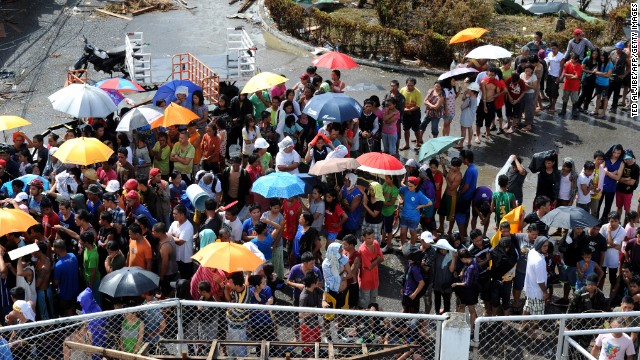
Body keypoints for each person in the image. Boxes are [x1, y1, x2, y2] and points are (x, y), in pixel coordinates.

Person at [399, 176, 432, 250]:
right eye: (408, 185)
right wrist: (402, 199)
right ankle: (403, 246)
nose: (409, 188)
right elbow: (399, 191)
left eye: (411, 186)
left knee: (412, 233)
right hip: (404, 215)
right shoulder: (406, 189)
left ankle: (411, 248)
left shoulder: (419, 194)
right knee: (402, 233)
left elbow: (430, 203)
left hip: (414, 218)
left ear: (416, 186)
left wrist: (421, 206)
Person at [224, 271, 251, 357]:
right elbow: (230, 300)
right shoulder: (236, 290)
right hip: (232, 325)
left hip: (239, 326)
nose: (229, 283)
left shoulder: (244, 297)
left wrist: (229, 310)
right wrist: (225, 288)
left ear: (237, 285)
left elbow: (237, 314)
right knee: (232, 347)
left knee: (239, 349)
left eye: (230, 282)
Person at [452, 248, 479, 332]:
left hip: (469, 291)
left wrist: (456, 284)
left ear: (463, 258)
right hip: (473, 289)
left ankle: (468, 329)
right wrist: (463, 271)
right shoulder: (473, 260)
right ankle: (470, 328)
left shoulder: (471, 268)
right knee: (466, 307)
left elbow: (467, 283)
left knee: (470, 309)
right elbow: (465, 266)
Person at [52, 239, 79, 317]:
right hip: (75, 289)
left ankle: (72, 326)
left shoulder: (58, 265)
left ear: (56, 249)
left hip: (65, 293)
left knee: (68, 311)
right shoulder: (73, 256)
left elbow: (56, 282)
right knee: (73, 307)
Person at [358, 229, 384, 308]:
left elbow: (382, 258)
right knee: (364, 302)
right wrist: (377, 259)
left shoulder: (376, 243)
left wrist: (375, 261)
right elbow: (369, 267)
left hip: (375, 278)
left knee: (373, 300)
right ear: (364, 238)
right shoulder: (362, 250)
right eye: (369, 238)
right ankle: (363, 318)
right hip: (365, 279)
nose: (372, 240)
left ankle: (371, 317)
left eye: (373, 237)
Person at [437, 156, 462, 236]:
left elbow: (451, 188)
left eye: (454, 166)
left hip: (452, 197)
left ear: (458, 167)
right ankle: (441, 227)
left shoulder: (459, 176)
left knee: (451, 216)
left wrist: (446, 178)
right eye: (452, 165)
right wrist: (443, 166)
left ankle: (449, 231)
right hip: (445, 194)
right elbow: (445, 174)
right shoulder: (451, 170)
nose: (452, 167)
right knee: (441, 212)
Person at [169, 204, 195, 279]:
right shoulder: (174, 223)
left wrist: (173, 237)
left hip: (186, 257)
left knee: (186, 278)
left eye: (176, 214)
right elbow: (168, 235)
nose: (173, 215)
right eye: (173, 213)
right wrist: (175, 237)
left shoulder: (188, 226)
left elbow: (180, 242)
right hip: (177, 256)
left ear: (182, 214)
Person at [399, 78, 422, 151]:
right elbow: (399, 101)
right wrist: (403, 109)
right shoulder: (402, 90)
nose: (410, 87)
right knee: (406, 129)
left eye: (412, 85)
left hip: (415, 113)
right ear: (406, 84)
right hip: (405, 113)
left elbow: (418, 105)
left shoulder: (417, 92)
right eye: (408, 85)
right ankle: (407, 144)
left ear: (414, 85)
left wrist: (409, 110)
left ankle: (418, 143)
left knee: (416, 129)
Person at [615, 149, 639, 219]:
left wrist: (620, 179)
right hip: (619, 189)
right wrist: (625, 179)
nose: (628, 160)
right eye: (626, 158)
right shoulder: (622, 164)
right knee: (618, 207)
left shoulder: (636, 167)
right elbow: (617, 177)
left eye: (629, 158)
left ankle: (626, 224)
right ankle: (617, 222)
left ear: (632, 157)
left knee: (627, 209)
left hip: (628, 192)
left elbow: (632, 182)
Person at [457, 82, 478, 148]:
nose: (467, 90)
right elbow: (464, 99)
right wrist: (465, 94)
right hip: (471, 116)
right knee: (470, 127)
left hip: (466, 116)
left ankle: (461, 144)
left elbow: (462, 107)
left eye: (469, 89)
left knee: (463, 130)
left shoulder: (469, 99)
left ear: (472, 91)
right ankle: (469, 141)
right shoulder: (475, 98)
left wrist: (465, 98)